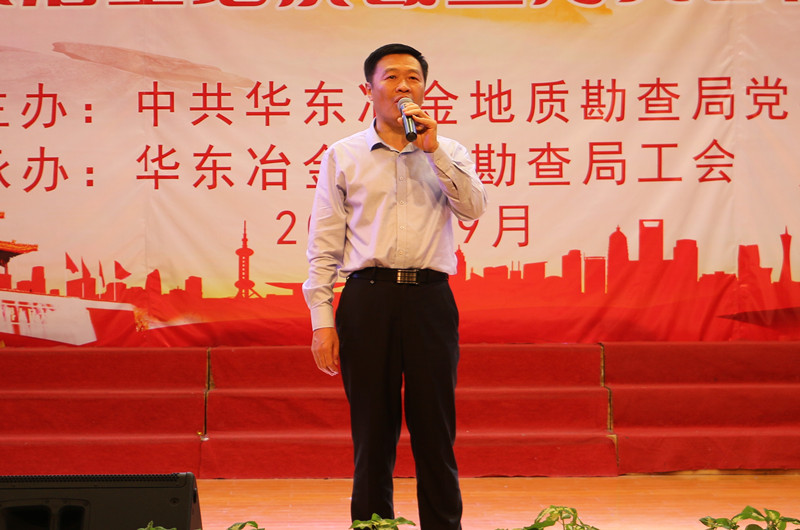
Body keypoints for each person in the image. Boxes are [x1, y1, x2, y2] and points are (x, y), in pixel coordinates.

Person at [302, 43, 488, 530]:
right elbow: (323, 245)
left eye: (413, 77)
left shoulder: (448, 150)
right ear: (368, 89)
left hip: (430, 299)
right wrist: (322, 322)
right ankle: (372, 526)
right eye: (391, 77)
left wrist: (434, 151)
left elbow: (473, 209)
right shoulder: (343, 155)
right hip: (368, 298)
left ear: (425, 88)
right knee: (373, 433)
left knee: (435, 431)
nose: (403, 86)